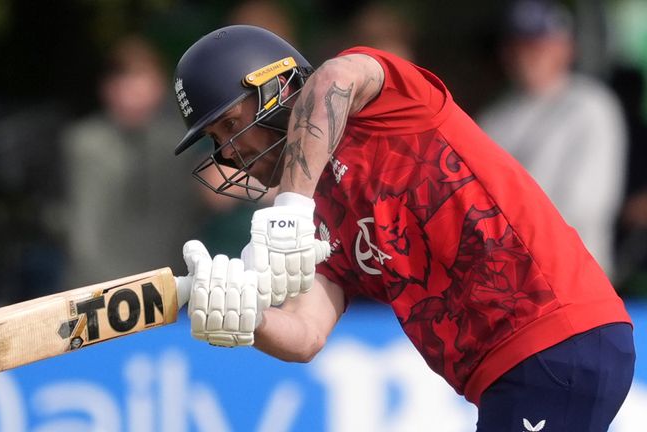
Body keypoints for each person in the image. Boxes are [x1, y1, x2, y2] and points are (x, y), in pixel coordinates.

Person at [170, 24, 635, 431]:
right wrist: (247, 318)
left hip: (553, 333)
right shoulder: (320, 219)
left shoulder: (391, 104)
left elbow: (334, 77)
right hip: (516, 370)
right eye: (216, 140)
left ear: (277, 89)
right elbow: (306, 334)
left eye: (230, 124)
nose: (228, 153)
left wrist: (288, 207)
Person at [477, 0, 627, 278]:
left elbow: (584, 205)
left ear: (565, 48)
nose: (529, 56)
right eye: (519, 46)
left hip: (576, 279)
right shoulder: (494, 117)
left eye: (539, 45)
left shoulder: (591, 105)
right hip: (508, 280)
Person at [62, 35, 200, 286]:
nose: (135, 93)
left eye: (143, 80)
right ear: (108, 88)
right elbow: (85, 234)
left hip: (170, 287)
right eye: (127, 82)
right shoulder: (84, 144)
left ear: (159, 86)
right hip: (97, 288)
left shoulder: (179, 143)